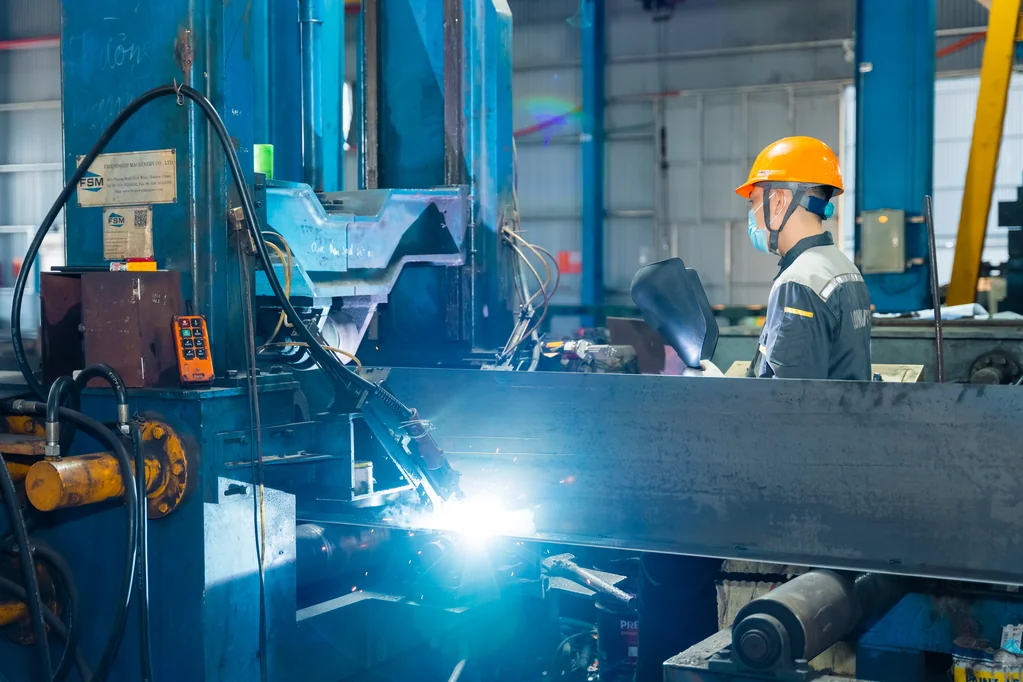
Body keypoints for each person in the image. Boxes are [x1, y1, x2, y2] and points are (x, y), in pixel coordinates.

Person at [735, 136, 872, 380]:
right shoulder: (845, 269)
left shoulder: (799, 282)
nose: (752, 214)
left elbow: (788, 395)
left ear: (778, 200)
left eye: (754, 202)